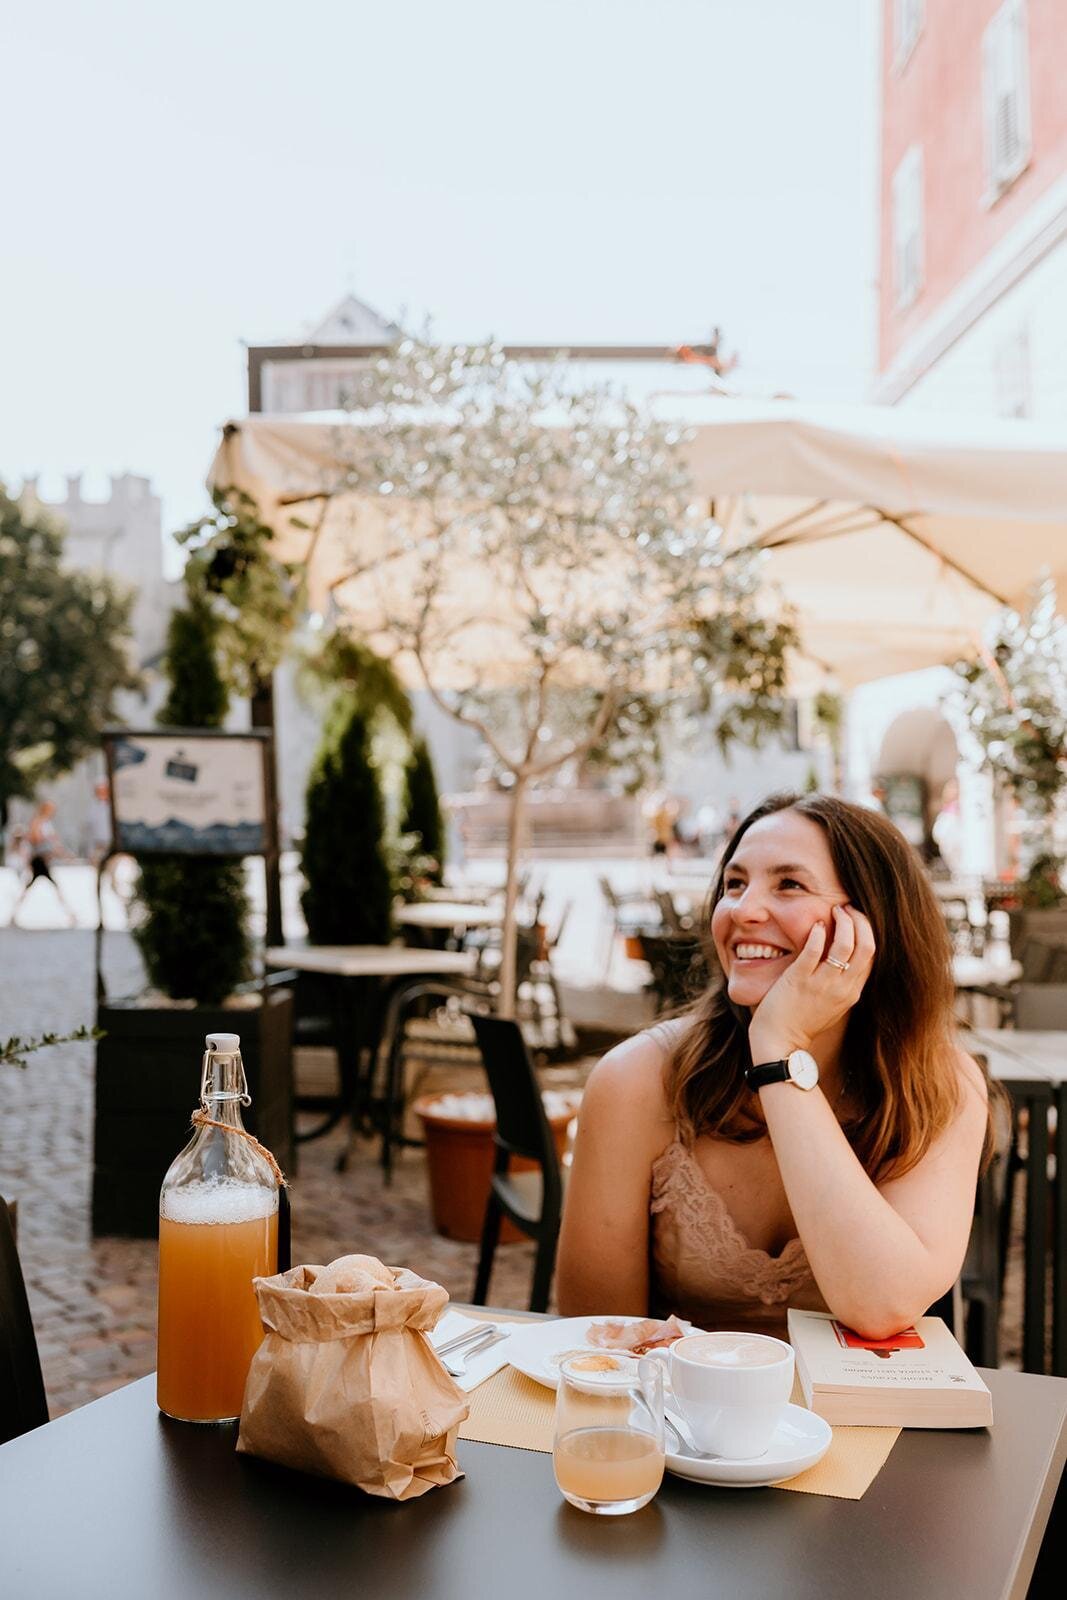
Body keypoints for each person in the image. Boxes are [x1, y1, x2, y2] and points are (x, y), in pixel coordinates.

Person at [557, 791, 994, 1340]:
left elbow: (882, 1306)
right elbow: (597, 1332)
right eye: (734, 884)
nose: (743, 910)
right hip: (668, 1392)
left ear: (872, 921)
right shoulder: (637, 1079)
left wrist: (780, 1050)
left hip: (854, 1399)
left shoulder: (942, 1086)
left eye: (789, 884)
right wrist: (779, 1046)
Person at [10, 800, 77, 927]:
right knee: (52, 887)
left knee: (32, 888)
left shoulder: (46, 823)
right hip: (39, 859)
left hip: (44, 859)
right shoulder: (37, 822)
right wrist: (48, 841)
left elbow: (54, 842)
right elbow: (35, 839)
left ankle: (13, 914)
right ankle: (71, 913)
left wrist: (63, 854)